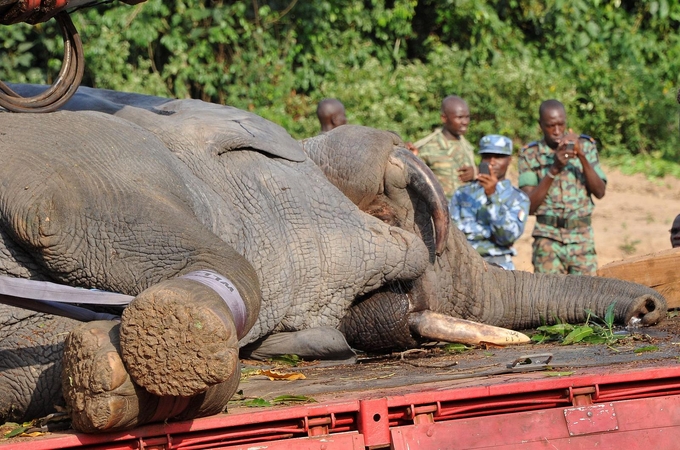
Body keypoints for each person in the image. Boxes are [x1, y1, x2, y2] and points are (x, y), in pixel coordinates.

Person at [518, 99, 606, 275]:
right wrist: (554, 169)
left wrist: (581, 155)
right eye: (551, 126)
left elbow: (600, 191)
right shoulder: (530, 154)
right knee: (548, 299)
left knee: (588, 298)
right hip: (548, 238)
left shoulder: (586, 146)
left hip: (581, 238)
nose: (557, 131)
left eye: (561, 125)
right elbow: (529, 205)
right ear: (541, 125)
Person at [451, 135, 530, 270]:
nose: (492, 162)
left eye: (499, 157)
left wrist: (492, 196)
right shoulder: (463, 193)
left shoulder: (518, 198)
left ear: (509, 160)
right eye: (487, 156)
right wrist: (488, 234)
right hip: (463, 264)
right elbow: (452, 233)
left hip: (499, 265)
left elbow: (507, 236)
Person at [411, 95, 476, 199]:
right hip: (439, 211)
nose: (465, 122)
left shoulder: (467, 147)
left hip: (466, 211)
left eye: (467, 117)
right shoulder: (428, 147)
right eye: (459, 117)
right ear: (444, 118)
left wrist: (475, 174)